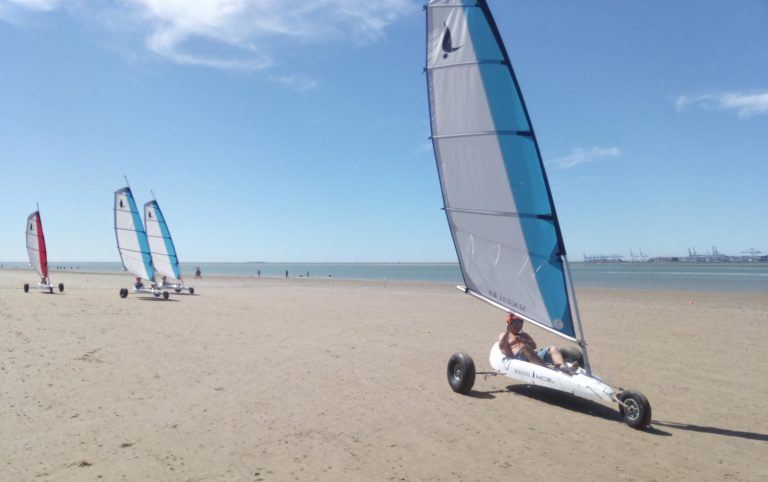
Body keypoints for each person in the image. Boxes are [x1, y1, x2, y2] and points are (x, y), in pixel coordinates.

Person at [498, 313, 575, 371]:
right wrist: (508, 331)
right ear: (510, 323)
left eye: (521, 323)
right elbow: (502, 346)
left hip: (533, 356)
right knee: (524, 347)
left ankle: (563, 368)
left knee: (553, 348)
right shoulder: (504, 335)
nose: (519, 326)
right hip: (519, 358)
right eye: (516, 323)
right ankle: (547, 369)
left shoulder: (524, 335)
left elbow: (534, 346)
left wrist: (523, 340)